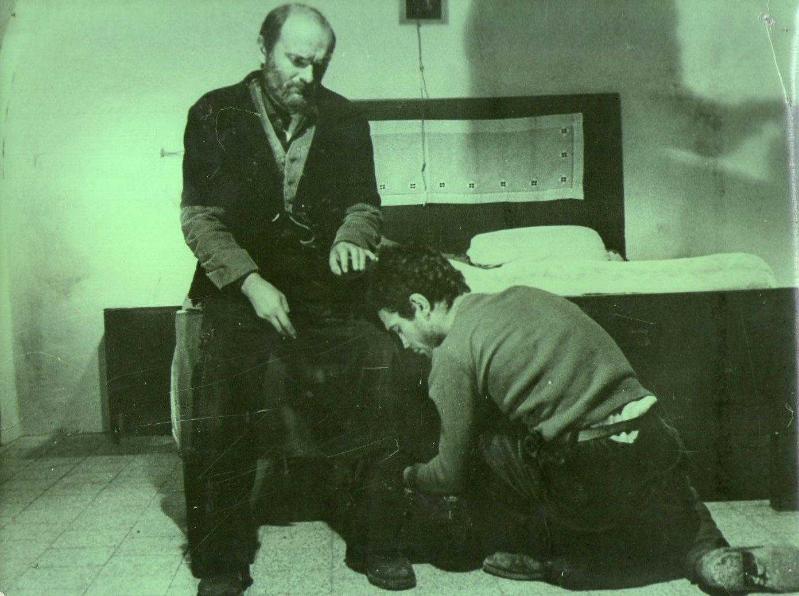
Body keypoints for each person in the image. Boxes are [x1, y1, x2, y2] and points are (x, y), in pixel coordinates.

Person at [368, 244, 799, 593]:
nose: (403, 345)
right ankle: (708, 553)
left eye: (397, 330)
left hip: (592, 472)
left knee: (488, 442)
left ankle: (563, 560)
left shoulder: (451, 355)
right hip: (657, 439)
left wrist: (409, 475)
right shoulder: (525, 294)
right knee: (660, 479)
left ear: (419, 306)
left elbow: (450, 475)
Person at [178, 5, 415, 594]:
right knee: (221, 387)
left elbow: (364, 205)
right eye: (297, 60)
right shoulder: (212, 113)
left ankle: (378, 539)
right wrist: (251, 283)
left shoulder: (346, 119)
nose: (308, 76)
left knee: (381, 364)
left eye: (320, 64)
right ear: (264, 48)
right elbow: (201, 218)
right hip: (239, 293)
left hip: (321, 294)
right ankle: (222, 557)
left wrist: (350, 237)